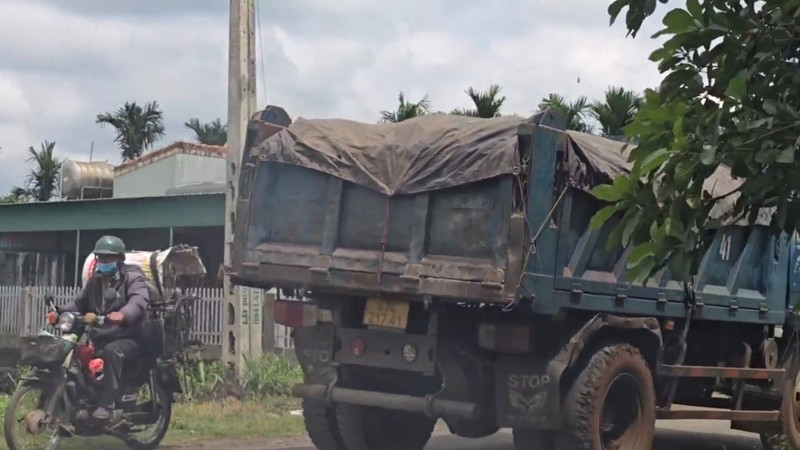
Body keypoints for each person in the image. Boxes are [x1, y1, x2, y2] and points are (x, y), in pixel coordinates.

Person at [51, 235, 150, 421]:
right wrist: (59, 311)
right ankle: (86, 398)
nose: (104, 262)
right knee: (79, 355)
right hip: (102, 335)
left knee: (113, 351)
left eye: (109, 258)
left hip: (130, 337)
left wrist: (124, 315)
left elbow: (139, 300)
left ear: (120, 259)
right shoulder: (95, 280)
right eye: (101, 258)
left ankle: (108, 403)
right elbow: (79, 303)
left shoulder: (133, 277)